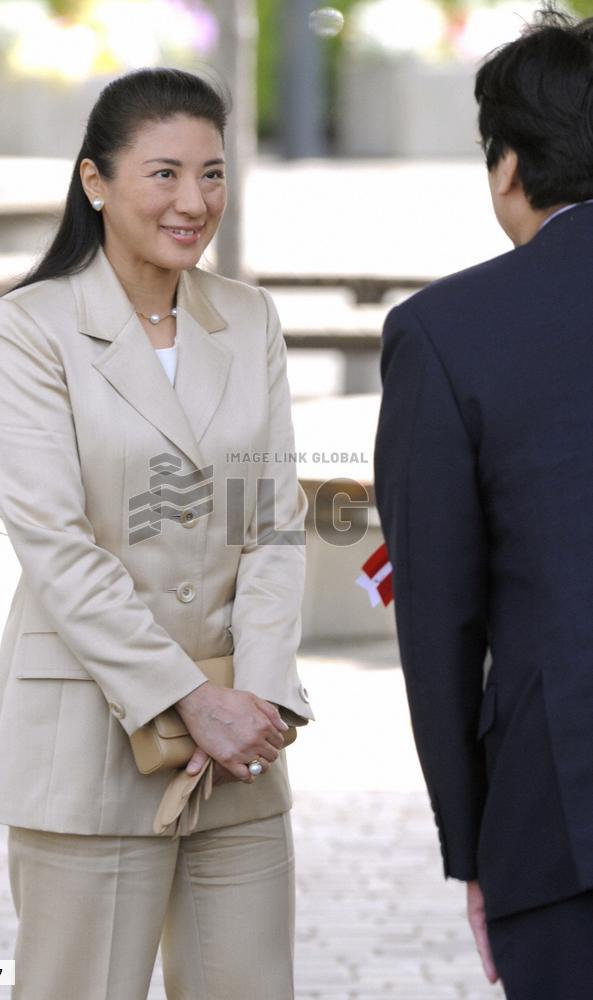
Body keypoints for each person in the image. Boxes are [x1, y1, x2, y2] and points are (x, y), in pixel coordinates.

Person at [0, 67, 313, 1000]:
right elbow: (58, 546)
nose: (192, 201)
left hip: (239, 751)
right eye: (163, 173)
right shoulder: (24, 331)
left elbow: (273, 524)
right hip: (86, 740)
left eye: (211, 174)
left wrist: (263, 696)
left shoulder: (248, 319)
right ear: (95, 182)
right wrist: (184, 698)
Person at [373, 7, 593, 998]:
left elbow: (437, 616)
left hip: (559, 816)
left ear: (505, 165)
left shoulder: (445, 333)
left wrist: (471, 845)